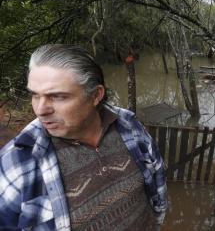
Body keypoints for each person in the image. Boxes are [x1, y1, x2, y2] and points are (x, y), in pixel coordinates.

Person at [0, 44, 167, 230]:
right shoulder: (17, 162)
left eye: (58, 97)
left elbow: (157, 184)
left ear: (96, 95)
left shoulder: (129, 125)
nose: (40, 110)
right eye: (35, 95)